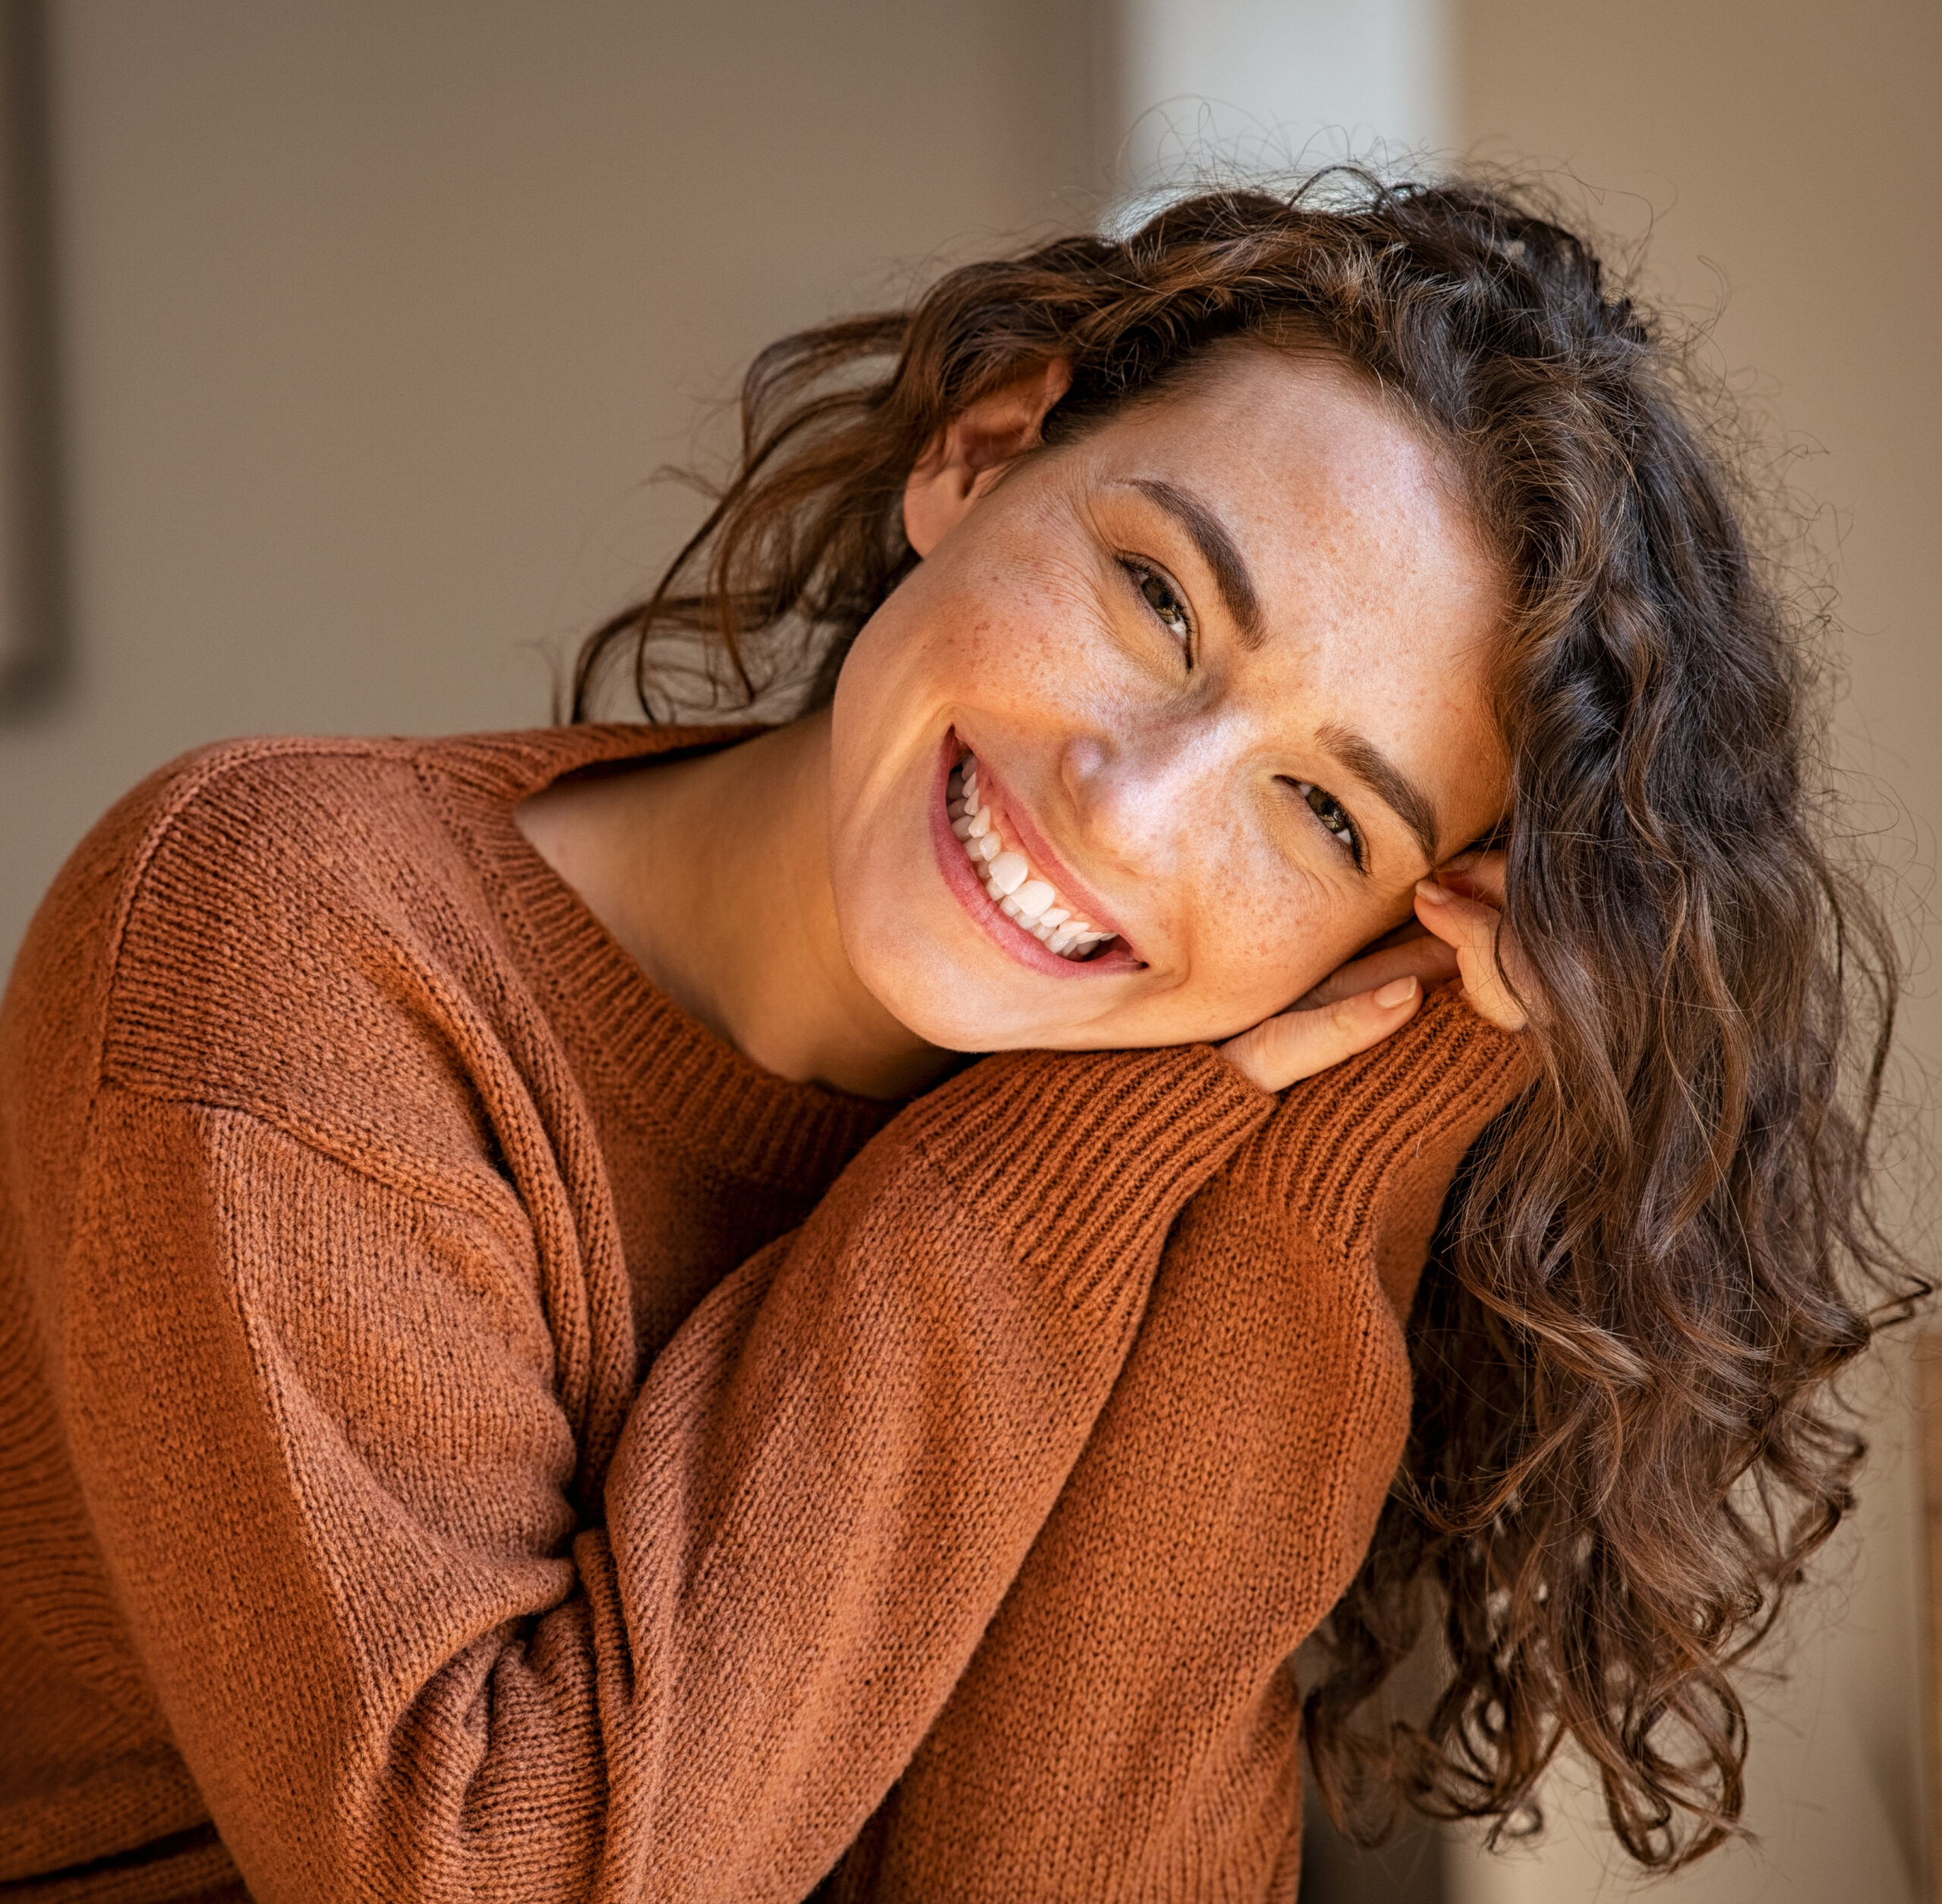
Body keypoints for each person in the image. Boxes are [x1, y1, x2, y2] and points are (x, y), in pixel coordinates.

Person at [0, 174, 1911, 1903]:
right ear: (980, 452)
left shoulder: (1176, 1135)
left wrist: (1329, 1157)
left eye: (1324, 816)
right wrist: (1026, 1189)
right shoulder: (281, 922)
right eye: (1157, 598)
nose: (1128, 805)